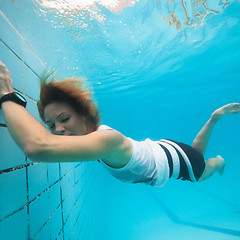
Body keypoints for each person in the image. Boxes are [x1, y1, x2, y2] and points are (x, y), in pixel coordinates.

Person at [0, 60, 239, 187]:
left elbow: (37, 147)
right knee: (196, 151)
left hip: (183, 163)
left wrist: (6, 95)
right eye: (50, 124)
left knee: (204, 169)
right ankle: (214, 117)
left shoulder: (107, 140)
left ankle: (219, 162)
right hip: (166, 150)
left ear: (85, 115)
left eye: (64, 119)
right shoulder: (97, 140)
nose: (58, 130)